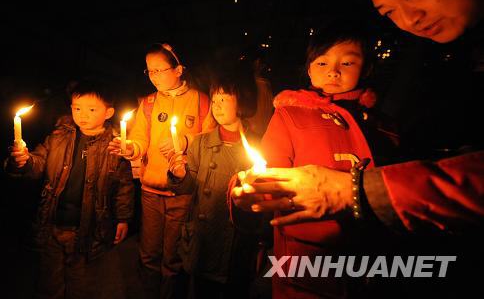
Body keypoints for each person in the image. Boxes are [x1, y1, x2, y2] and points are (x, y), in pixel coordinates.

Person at [236, 20, 398, 298]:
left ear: (367, 67)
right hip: (307, 263)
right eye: (322, 63)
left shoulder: (383, 125)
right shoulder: (291, 115)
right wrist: (247, 192)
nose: (333, 71)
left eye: (347, 63)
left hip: (376, 261)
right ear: (309, 69)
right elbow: (266, 173)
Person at [5, 79, 134, 299]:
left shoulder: (115, 145)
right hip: (53, 222)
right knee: (49, 281)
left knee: (82, 283)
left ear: (108, 112)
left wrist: (123, 217)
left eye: (92, 109)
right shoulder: (59, 136)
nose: (82, 114)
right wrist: (23, 161)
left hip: (89, 226)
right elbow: (38, 163)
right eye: (77, 108)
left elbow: (123, 184)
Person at [108, 43, 211, 298]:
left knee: (174, 256)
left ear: (178, 70)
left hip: (183, 193)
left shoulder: (200, 101)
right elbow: (141, 140)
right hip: (151, 190)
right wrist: (132, 148)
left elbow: (210, 140)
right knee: (149, 253)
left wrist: (187, 141)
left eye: (159, 70)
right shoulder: (148, 103)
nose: (153, 76)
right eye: (149, 71)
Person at [167, 63, 263, 298]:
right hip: (204, 241)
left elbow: (265, 200)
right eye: (215, 99)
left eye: (224, 98)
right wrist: (178, 176)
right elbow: (190, 188)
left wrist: (262, 242)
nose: (216, 106)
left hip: (237, 245)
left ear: (243, 100)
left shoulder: (259, 146)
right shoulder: (201, 143)